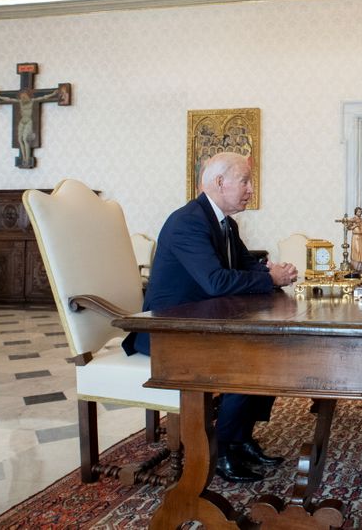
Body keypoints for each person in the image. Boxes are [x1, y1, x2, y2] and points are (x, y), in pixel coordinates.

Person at [123, 152, 298, 483]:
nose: (250, 189)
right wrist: (269, 280)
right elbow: (215, 281)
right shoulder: (188, 221)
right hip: (166, 332)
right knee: (246, 361)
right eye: (245, 181)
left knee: (271, 351)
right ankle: (222, 450)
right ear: (220, 182)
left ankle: (241, 438)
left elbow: (246, 265)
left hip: (198, 326)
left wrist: (272, 270)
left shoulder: (225, 223)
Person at [0, 88, 60, 167]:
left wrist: (53, 94)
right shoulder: (20, 102)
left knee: (25, 139)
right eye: (21, 97)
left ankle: (27, 159)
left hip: (29, 121)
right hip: (22, 122)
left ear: (27, 96)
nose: (23, 98)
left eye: (24, 96)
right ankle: (23, 159)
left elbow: (44, 97)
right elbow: (8, 99)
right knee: (19, 140)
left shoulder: (32, 101)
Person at [347, 206, 362, 272]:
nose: (360, 213)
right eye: (358, 211)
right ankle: (355, 268)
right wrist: (355, 225)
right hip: (356, 237)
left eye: (361, 212)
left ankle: (361, 268)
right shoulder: (352, 219)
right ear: (355, 212)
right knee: (356, 251)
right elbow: (348, 227)